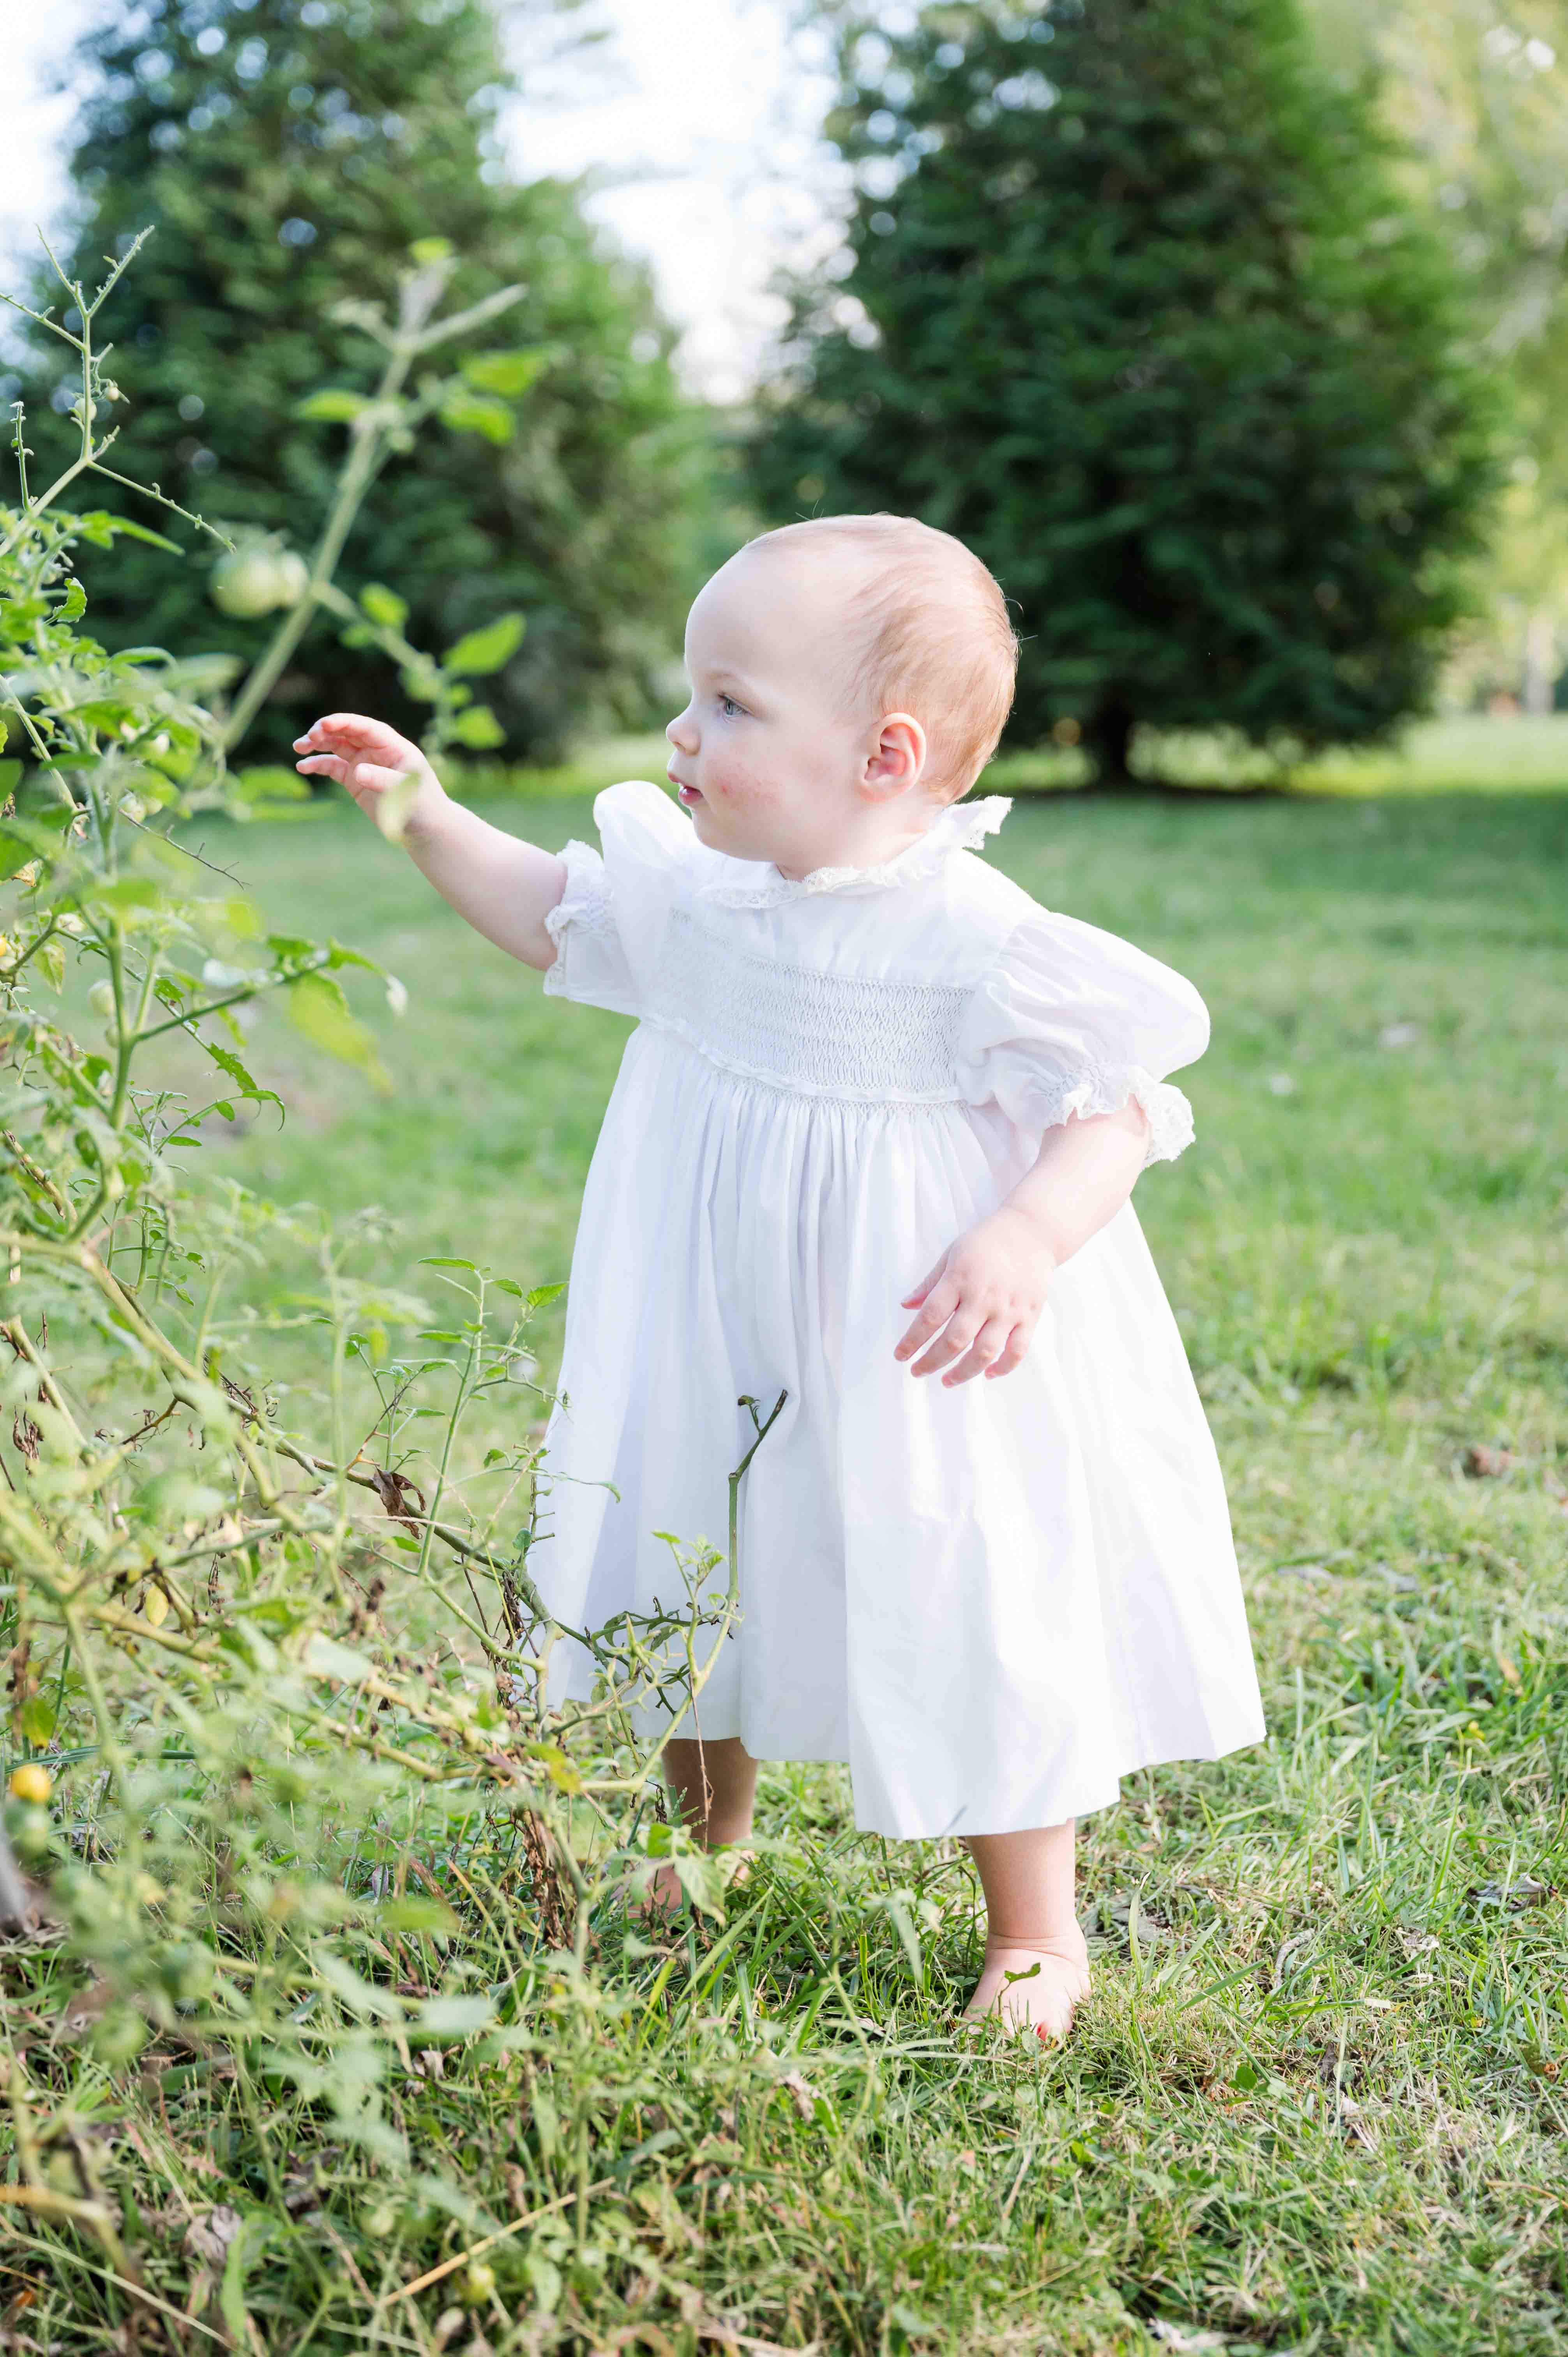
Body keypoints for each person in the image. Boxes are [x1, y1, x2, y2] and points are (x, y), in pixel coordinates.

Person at [293, 513, 1266, 2042]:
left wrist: (1021, 1238)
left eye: (733, 704)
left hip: (914, 1339)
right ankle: (707, 1844)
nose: (685, 728)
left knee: (962, 1582)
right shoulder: (698, 896)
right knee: (694, 1542)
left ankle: (1034, 1932)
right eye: (695, 691)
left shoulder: (972, 942)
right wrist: (421, 814)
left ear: (882, 756)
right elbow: (553, 916)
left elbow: (1118, 1103)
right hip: (713, 1308)